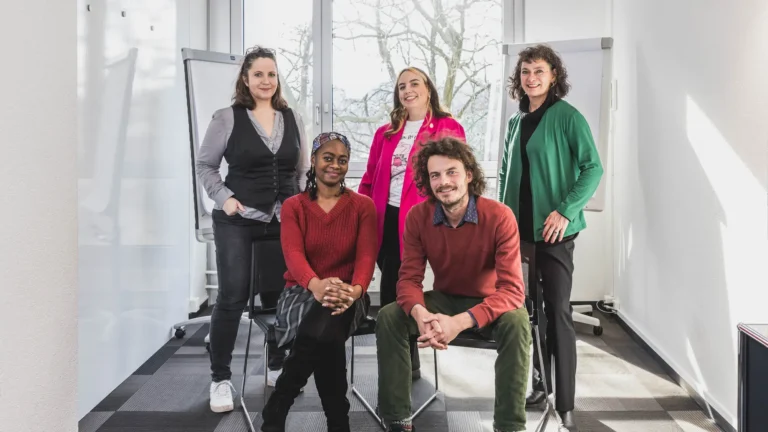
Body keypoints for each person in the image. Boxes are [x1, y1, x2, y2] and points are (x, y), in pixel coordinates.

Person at [375, 137, 531, 432]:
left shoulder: (499, 216)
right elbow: (409, 279)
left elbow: (512, 291)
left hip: (491, 302)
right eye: (435, 175)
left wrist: (458, 323)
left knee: (517, 323)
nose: (443, 182)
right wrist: (421, 314)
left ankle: (509, 426)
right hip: (446, 298)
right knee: (389, 316)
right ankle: (397, 419)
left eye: (451, 172)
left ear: (469, 175)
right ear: (427, 181)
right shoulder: (418, 217)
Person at [196, 46, 311, 413]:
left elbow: (301, 171)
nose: (266, 80)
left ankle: (276, 366)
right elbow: (205, 165)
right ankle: (220, 379)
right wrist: (225, 198)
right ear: (245, 79)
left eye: (271, 74)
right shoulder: (226, 118)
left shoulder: (292, 117)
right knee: (232, 295)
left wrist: (300, 207)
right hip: (237, 219)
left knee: (280, 297)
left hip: (283, 220)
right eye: (258, 74)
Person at [498, 44, 604, 432]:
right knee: (530, 313)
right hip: (519, 236)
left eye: (539, 71)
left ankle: (566, 402)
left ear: (553, 75)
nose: (532, 78)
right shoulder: (516, 121)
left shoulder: (567, 117)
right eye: (526, 72)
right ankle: (540, 385)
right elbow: (505, 174)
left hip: (555, 233)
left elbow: (593, 168)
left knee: (557, 313)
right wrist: (500, 224)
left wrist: (565, 210)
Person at [260, 132, 378, 432]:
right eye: (328, 158)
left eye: (342, 160)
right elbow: (293, 254)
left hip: (349, 295)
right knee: (327, 337)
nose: (335, 165)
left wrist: (354, 291)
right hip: (301, 291)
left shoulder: (363, 206)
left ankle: (279, 404)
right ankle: (338, 421)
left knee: (327, 321)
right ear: (313, 160)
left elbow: (366, 257)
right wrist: (317, 286)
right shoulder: (294, 206)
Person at [358, 66, 465, 379]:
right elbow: (369, 178)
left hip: (425, 219)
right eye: (402, 86)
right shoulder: (386, 132)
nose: (407, 90)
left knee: (405, 285)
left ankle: (403, 363)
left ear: (428, 88)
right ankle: (406, 362)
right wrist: (360, 216)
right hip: (386, 217)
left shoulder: (448, 126)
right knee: (392, 287)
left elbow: (456, 177)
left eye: (414, 83)